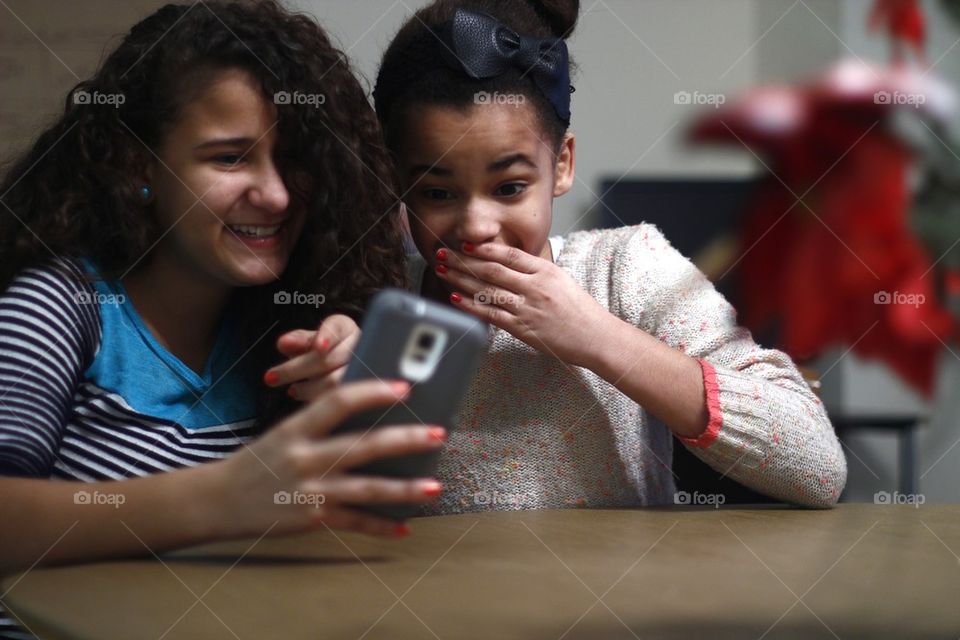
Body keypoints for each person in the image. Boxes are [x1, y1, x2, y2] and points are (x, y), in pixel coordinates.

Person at [272, 0, 848, 515]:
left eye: (509, 187)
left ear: (562, 164)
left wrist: (595, 336)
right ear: (398, 181)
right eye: (437, 193)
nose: (476, 227)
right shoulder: (377, 295)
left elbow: (818, 466)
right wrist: (340, 408)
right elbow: (314, 512)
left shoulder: (624, 268)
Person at [0, 2, 445, 636]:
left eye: (293, 159)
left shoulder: (283, 324)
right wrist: (220, 498)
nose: (277, 195)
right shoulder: (62, 307)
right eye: (231, 158)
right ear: (139, 166)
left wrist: (349, 405)